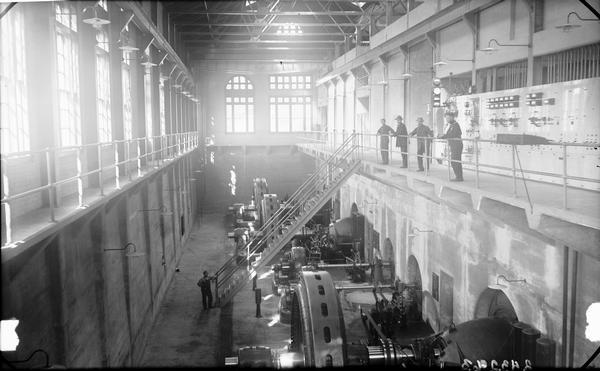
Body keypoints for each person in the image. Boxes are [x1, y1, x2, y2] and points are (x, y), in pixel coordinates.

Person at [439, 111, 463, 181]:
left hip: (457, 145)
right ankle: (459, 177)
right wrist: (442, 136)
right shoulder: (451, 125)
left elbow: (452, 134)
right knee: (456, 161)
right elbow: (448, 134)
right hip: (453, 144)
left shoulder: (455, 125)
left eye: (448, 118)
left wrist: (443, 136)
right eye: (446, 118)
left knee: (454, 161)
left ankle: (459, 177)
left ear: (452, 117)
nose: (447, 119)